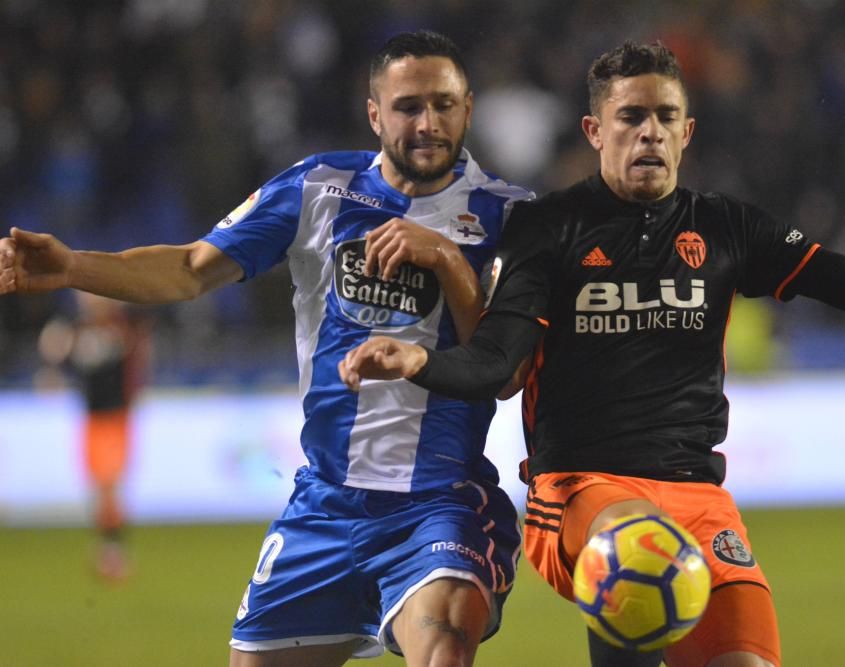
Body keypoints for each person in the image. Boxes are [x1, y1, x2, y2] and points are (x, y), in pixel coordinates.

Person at [338, 41, 845, 667]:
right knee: (636, 545)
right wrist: (418, 361)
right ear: (595, 130)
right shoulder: (550, 228)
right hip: (580, 491)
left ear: (687, 133)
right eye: (630, 116)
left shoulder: (727, 227)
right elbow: (496, 359)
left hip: (698, 497)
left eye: (665, 117)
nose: (649, 131)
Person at [1, 30, 532, 667]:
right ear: (374, 113)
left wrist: (446, 258)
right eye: (408, 106)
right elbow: (191, 268)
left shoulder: (510, 216)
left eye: (444, 104)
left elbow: (503, 369)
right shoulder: (319, 189)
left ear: (468, 108)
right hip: (325, 502)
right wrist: (72, 268)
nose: (428, 122)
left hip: (439, 502)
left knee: (443, 646)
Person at [36, 291, 150, 581]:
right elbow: (57, 357)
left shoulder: (122, 326)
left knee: (109, 483)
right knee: (100, 486)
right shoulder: (76, 328)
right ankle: (108, 548)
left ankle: (113, 551)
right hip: (91, 416)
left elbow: (138, 361)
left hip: (115, 415)